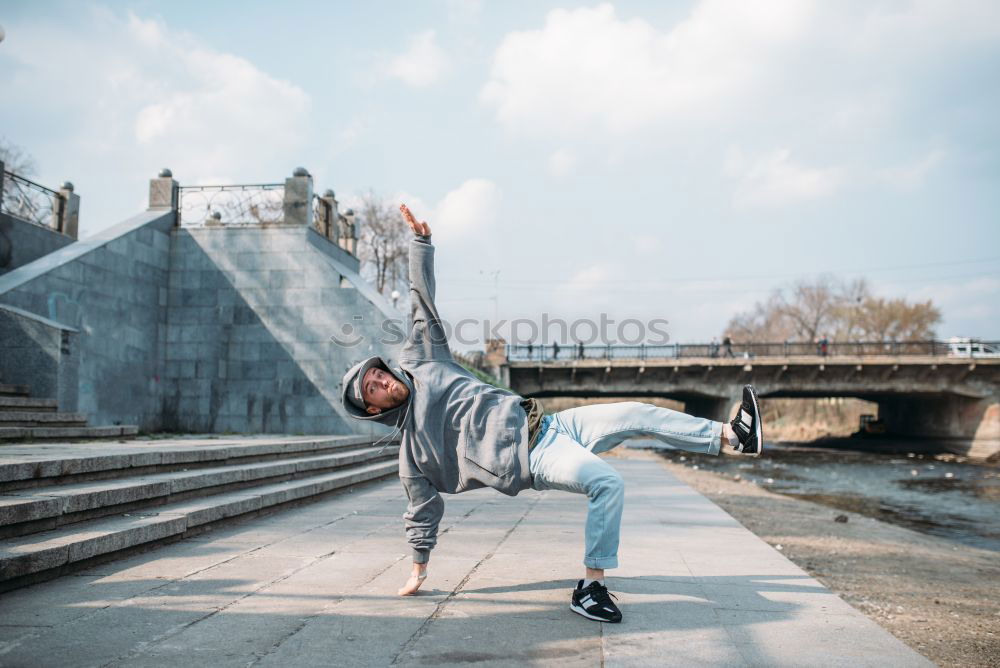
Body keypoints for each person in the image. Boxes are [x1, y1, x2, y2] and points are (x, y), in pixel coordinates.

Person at [340, 204, 765, 624]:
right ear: (374, 407)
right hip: (535, 457)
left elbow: (421, 300)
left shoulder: (424, 359)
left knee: (637, 412)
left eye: (378, 373)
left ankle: (733, 435)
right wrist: (419, 568)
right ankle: (590, 589)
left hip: (552, 422)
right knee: (607, 483)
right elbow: (421, 510)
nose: (382, 381)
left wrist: (421, 242)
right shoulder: (414, 455)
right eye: (373, 388)